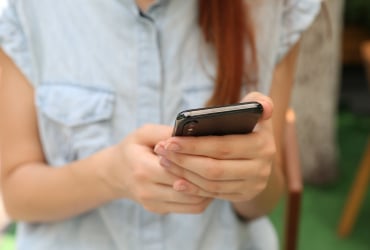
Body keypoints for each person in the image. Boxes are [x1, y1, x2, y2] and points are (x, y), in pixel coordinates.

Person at [0, 0, 320, 249]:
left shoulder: (274, 8)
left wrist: (252, 177)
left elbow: (264, 201)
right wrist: (110, 175)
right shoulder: (27, 11)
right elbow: (16, 194)